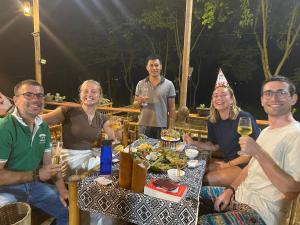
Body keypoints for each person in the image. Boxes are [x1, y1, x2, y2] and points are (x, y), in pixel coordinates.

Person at [198, 75, 300, 225]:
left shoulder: (296, 134)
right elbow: (250, 167)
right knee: (190, 195)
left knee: (199, 222)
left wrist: (258, 152)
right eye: (268, 93)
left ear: (293, 98)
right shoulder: (266, 132)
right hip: (239, 195)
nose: (274, 97)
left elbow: (292, 190)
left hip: (260, 213)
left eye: (281, 92)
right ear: (262, 100)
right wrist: (230, 190)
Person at [0, 80, 68, 225]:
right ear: (16, 99)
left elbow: (49, 165)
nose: (36, 99)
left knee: (69, 211)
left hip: (34, 186)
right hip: (5, 190)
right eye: (28, 94)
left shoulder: (42, 126)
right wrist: (36, 174)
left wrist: (63, 191)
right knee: (7, 219)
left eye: (40, 95)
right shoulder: (4, 128)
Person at [183, 69, 260, 186]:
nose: (219, 98)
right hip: (228, 161)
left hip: (247, 166)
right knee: (194, 172)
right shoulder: (213, 120)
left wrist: (227, 165)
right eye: (215, 96)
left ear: (231, 99)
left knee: (203, 180)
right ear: (212, 100)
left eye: (223, 95)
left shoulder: (244, 118)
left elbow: (249, 155)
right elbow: (214, 146)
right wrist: (193, 142)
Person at [133, 54, 176, 139]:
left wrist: (171, 128)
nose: (154, 68)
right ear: (147, 67)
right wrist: (139, 102)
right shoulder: (140, 84)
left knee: (160, 151)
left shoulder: (169, 84)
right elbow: (134, 105)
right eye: (151, 65)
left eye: (156, 65)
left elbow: (172, 108)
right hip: (143, 125)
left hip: (161, 126)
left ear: (161, 67)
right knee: (142, 150)